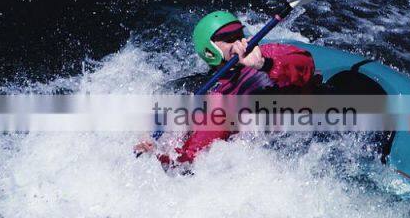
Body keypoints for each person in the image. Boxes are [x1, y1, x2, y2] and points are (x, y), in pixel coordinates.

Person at [135, 10, 317, 165]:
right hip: (276, 151)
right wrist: (157, 154)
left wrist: (265, 64)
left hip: (309, 129)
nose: (239, 43)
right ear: (209, 51)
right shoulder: (211, 99)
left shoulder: (263, 54)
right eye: (229, 39)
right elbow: (188, 159)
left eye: (240, 35)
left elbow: (306, 65)